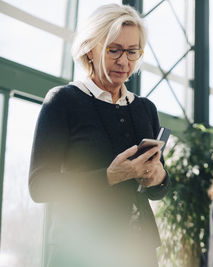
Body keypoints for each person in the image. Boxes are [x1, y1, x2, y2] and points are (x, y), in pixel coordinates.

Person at [28, 4, 170, 267]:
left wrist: (158, 176)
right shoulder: (63, 101)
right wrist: (110, 176)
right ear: (90, 49)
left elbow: (158, 190)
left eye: (132, 51)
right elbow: (40, 186)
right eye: (113, 50)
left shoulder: (145, 108)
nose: (124, 61)